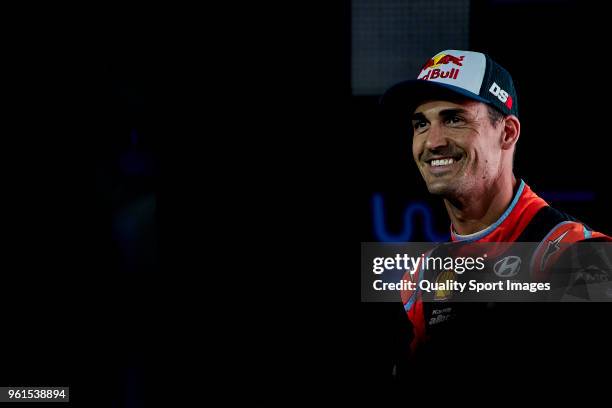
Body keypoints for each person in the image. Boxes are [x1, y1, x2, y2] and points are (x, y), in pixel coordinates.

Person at [379, 50, 612, 373]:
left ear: (508, 133)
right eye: (421, 124)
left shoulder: (585, 256)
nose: (432, 142)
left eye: (453, 119)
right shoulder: (420, 280)